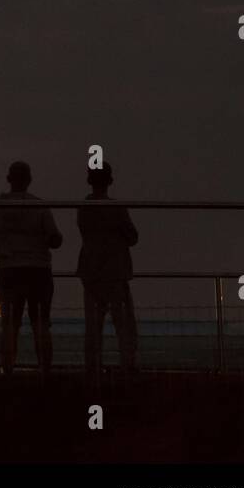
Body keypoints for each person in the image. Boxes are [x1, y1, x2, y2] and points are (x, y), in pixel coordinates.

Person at [0, 161, 63, 376]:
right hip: (38, 270)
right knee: (41, 323)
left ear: (9, 179)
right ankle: (44, 370)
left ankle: (8, 370)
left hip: (10, 269)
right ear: (29, 180)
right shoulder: (39, 206)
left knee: (9, 324)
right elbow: (54, 238)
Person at [77, 161, 138, 379]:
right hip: (115, 270)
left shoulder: (83, 206)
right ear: (110, 181)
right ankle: (127, 368)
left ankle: (92, 369)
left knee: (93, 326)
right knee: (123, 326)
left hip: (91, 270)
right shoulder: (117, 207)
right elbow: (132, 236)